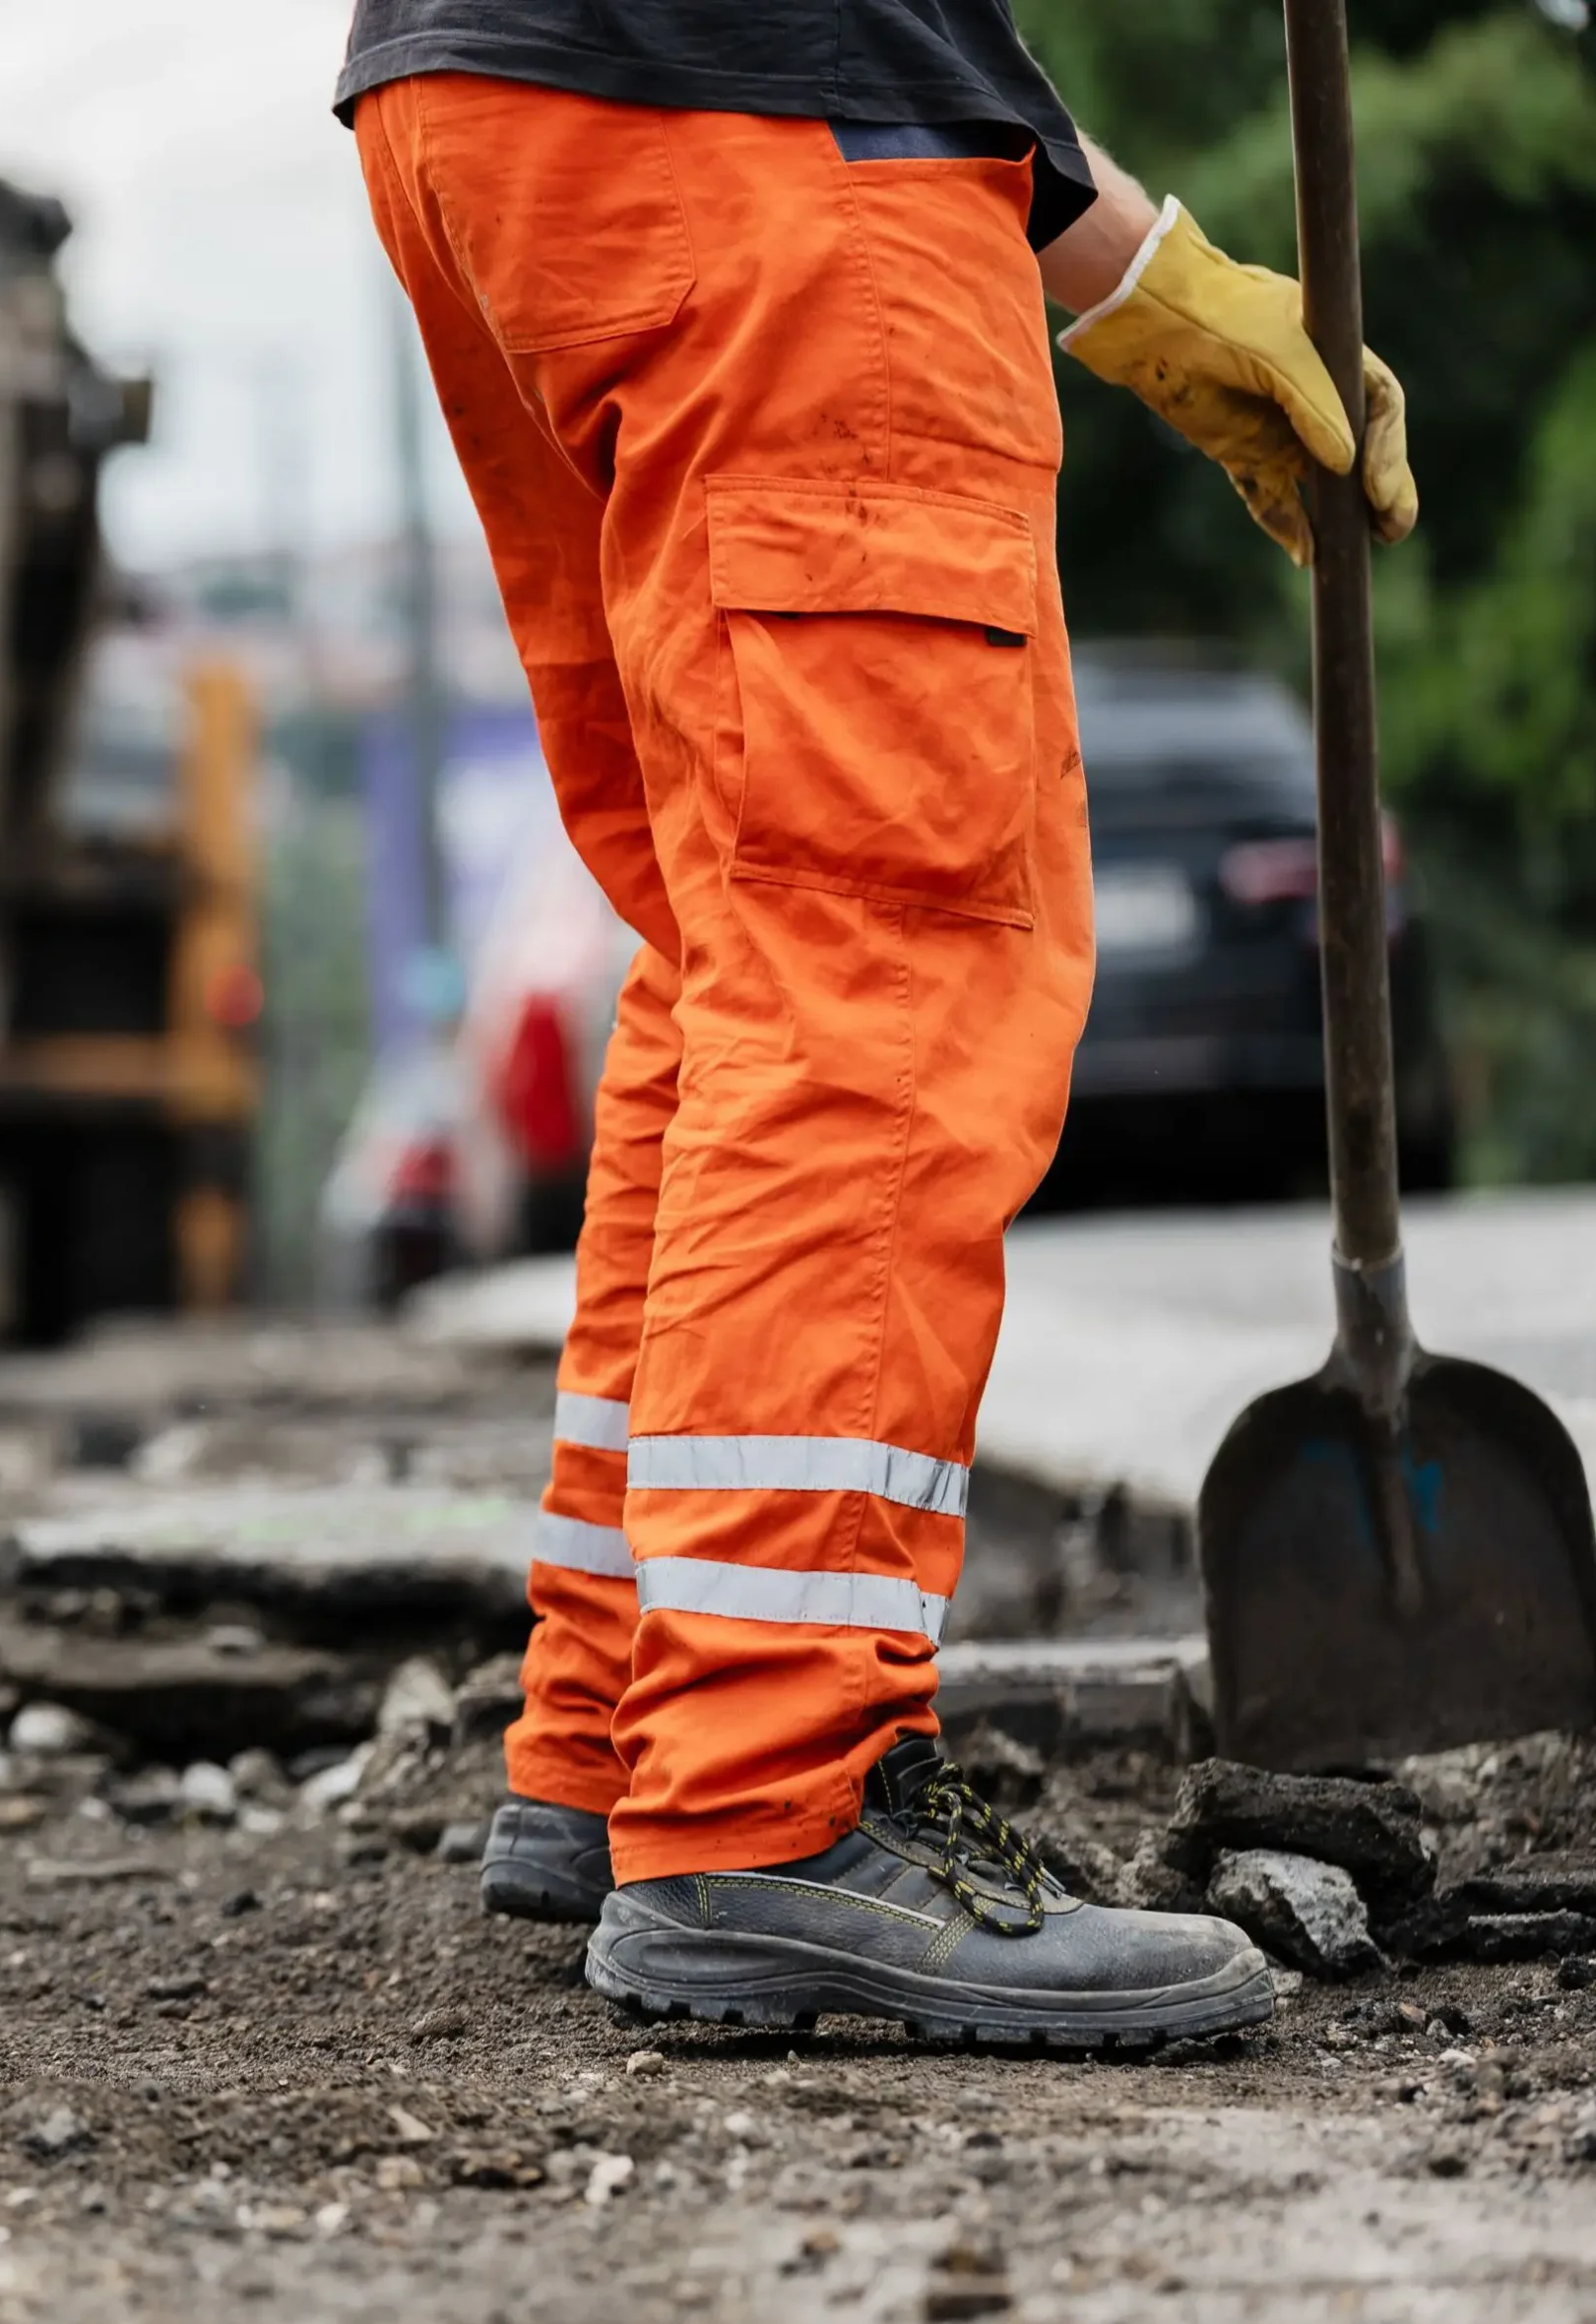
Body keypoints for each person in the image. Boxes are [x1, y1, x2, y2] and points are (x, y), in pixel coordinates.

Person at [337, 2, 1415, 2045]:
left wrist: (1131, 264)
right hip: (744, 145)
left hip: (486, 112)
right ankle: (770, 1801)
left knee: (736, 930)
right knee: (872, 947)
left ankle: (625, 1727)